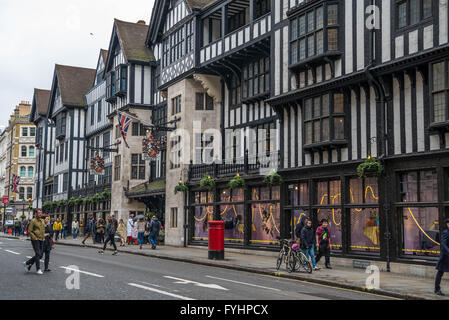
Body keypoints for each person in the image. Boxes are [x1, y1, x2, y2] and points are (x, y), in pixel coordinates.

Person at [24, 209, 45, 275]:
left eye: (41, 213)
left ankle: (27, 263)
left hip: (41, 239)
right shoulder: (33, 221)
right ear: (36, 214)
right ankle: (38, 269)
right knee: (38, 254)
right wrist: (34, 237)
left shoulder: (42, 221)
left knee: (40, 255)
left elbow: (43, 230)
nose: (40, 214)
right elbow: (29, 231)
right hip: (35, 239)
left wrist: (43, 237)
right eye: (39, 213)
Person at [435, 218, 449, 296]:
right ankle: (437, 289)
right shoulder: (445, 232)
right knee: (440, 272)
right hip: (445, 257)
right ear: (447, 224)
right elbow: (443, 244)